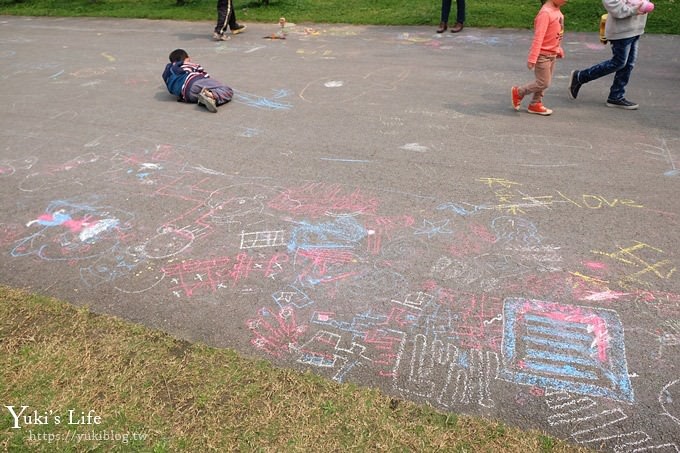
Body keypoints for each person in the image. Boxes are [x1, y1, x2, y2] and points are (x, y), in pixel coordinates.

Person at [567, 0, 649, 110]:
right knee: (618, 63)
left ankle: (616, 96)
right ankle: (580, 76)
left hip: (636, 28)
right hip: (621, 30)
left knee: (628, 64)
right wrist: (634, 10)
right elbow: (612, 4)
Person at [511, 0, 567, 116]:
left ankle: (535, 104)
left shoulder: (556, 10)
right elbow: (539, 37)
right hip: (543, 55)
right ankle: (519, 92)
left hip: (552, 53)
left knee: (544, 81)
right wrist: (532, 58)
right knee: (543, 82)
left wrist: (558, 48)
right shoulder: (545, 13)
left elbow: (556, 34)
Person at [162, 49, 234, 113]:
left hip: (187, 95)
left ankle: (206, 98)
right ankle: (211, 95)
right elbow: (205, 76)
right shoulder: (187, 64)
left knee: (199, 92)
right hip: (193, 80)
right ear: (187, 58)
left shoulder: (169, 72)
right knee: (227, 90)